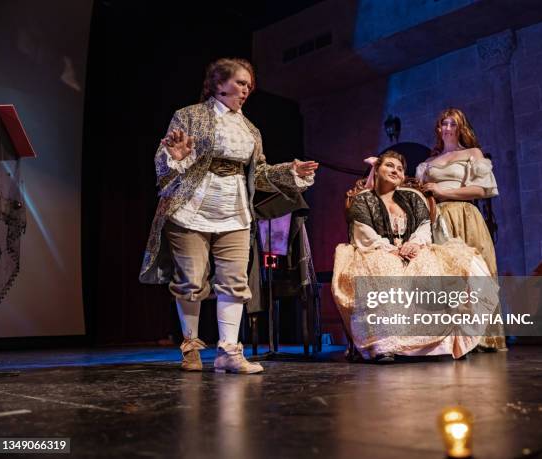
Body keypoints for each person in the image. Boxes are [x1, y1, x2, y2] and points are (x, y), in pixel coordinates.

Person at [139, 58, 318, 373]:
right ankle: (191, 346)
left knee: (234, 281)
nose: (246, 89)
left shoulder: (250, 129)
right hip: (191, 207)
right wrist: (174, 155)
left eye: (249, 85)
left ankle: (228, 351)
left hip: (234, 210)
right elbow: (164, 160)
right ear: (218, 83)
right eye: (240, 82)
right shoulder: (190, 116)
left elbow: (259, 173)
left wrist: (290, 172)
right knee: (191, 281)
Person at [331, 151, 498, 360]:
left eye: (400, 169)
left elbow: (423, 226)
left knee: (441, 265)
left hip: (414, 248)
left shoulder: (413, 197)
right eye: (390, 166)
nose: (396, 171)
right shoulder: (363, 199)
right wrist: (389, 248)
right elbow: (364, 232)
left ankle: (439, 343)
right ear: (377, 170)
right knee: (383, 268)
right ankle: (385, 345)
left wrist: (415, 244)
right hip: (377, 250)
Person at [416, 108, 505, 350]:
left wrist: (444, 191)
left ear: (460, 128)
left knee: (475, 274)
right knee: (447, 277)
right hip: (438, 219)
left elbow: (482, 190)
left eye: (453, 124)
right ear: (438, 129)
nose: (448, 128)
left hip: (465, 215)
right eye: (444, 124)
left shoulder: (472, 154)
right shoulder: (428, 164)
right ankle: (453, 338)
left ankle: (483, 337)